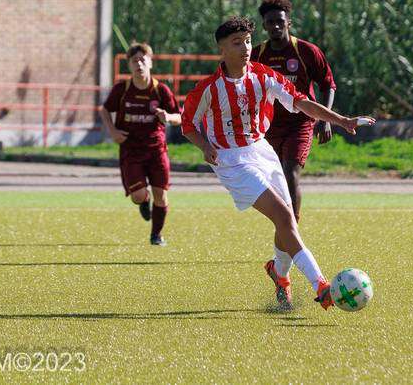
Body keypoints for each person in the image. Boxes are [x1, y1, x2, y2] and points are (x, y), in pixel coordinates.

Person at [181, 16, 374, 310]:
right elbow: (188, 125)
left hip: (262, 150)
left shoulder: (264, 76)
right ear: (222, 49)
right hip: (231, 160)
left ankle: (279, 274)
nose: (246, 48)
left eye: (248, 41)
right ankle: (321, 285)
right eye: (237, 43)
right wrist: (205, 146)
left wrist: (342, 120)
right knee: (284, 216)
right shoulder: (209, 88)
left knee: (289, 220)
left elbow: (301, 102)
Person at [251, 0, 336, 223]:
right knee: (274, 178)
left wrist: (325, 119)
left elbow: (328, 84)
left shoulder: (306, 51)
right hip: (268, 127)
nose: (276, 26)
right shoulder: (257, 55)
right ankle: (284, 227)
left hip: (300, 123)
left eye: (280, 21)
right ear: (264, 25)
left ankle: (292, 227)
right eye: (270, 22)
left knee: (290, 172)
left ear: (289, 22)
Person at [100, 43, 182, 246]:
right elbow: (105, 110)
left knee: (161, 195)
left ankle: (156, 235)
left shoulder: (160, 90)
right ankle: (144, 201)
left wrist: (168, 117)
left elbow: (180, 117)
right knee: (138, 195)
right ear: (129, 65)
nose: (139, 64)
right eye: (134, 60)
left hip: (156, 150)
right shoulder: (122, 89)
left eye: (143, 59)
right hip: (131, 150)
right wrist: (113, 131)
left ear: (150, 62)